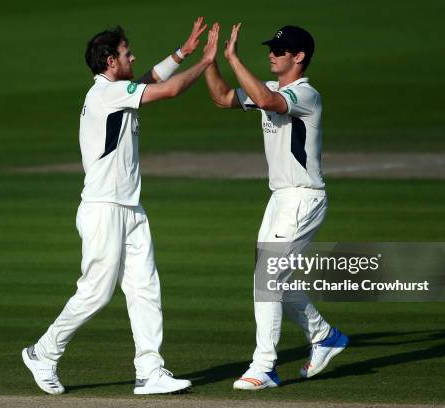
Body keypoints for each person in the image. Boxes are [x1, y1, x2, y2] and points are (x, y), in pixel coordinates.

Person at [22, 18, 219, 395]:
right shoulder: (103, 94)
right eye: (127, 53)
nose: (133, 57)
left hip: (130, 208)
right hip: (104, 208)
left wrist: (183, 52)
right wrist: (206, 61)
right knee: (96, 293)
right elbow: (171, 90)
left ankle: (149, 371)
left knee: (145, 289)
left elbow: (146, 80)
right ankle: (42, 352)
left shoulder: (118, 90)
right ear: (111, 61)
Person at [203, 23, 348, 390]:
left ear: (298, 58)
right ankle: (324, 335)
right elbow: (221, 98)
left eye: (279, 51)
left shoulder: (306, 94)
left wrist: (233, 58)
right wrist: (209, 61)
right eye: (271, 49)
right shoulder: (267, 88)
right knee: (276, 278)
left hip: (303, 197)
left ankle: (265, 366)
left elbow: (270, 103)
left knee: (268, 278)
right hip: (280, 198)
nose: (271, 54)